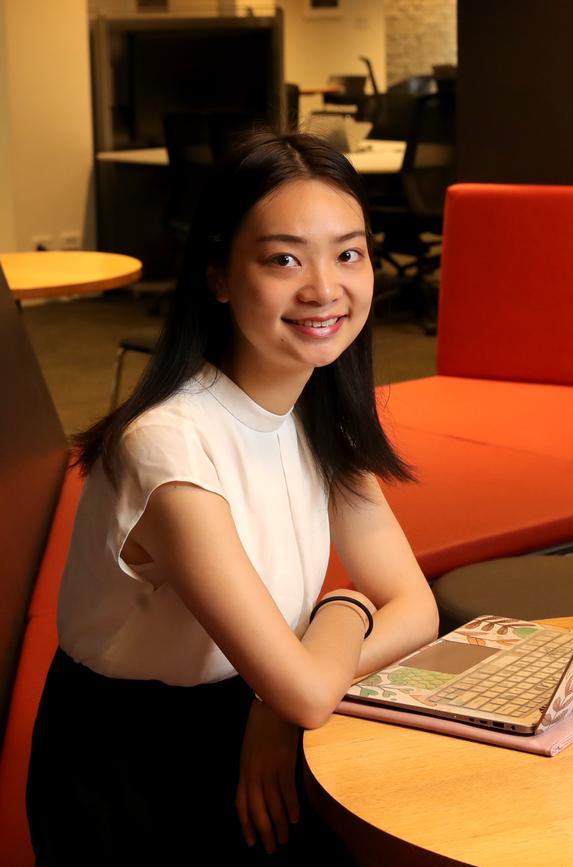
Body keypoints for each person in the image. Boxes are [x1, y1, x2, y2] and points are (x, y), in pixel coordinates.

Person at [26, 129, 439, 866]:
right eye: (284, 258)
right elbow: (314, 684)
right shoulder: (170, 446)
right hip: (140, 769)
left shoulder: (322, 411)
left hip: (254, 719)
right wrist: (342, 611)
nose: (324, 286)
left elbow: (415, 606)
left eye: (348, 253)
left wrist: (273, 701)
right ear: (217, 274)